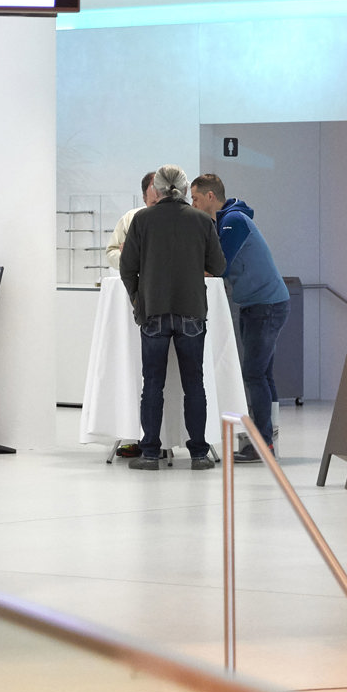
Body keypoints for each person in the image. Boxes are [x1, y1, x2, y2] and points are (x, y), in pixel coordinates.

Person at [118, 165, 225, 472]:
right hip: (191, 310)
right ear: (184, 188)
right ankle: (199, 454)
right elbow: (218, 266)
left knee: (152, 384)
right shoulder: (201, 221)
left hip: (154, 311)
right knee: (194, 384)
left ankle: (150, 453)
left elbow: (127, 267)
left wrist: (138, 299)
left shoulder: (142, 220)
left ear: (158, 189)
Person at [190, 175, 290, 463]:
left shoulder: (233, 221)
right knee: (263, 375)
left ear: (210, 197)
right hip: (261, 303)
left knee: (255, 375)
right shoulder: (227, 220)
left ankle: (262, 444)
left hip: (265, 305)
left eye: (195, 198)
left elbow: (218, 266)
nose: (192, 204)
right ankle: (266, 441)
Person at [105, 172, 158, 270]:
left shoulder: (181, 221)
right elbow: (111, 251)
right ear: (144, 198)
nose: (159, 208)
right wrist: (126, 257)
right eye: (154, 203)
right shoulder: (130, 219)